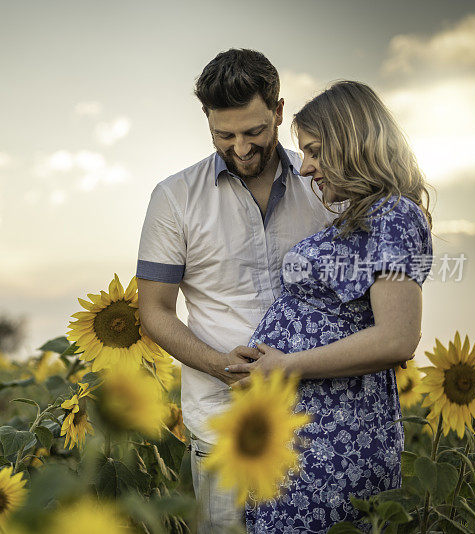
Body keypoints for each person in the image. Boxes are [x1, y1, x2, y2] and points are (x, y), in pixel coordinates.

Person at [136, 49, 337, 532]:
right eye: (224, 136)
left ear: (279, 112)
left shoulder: (325, 186)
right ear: (208, 123)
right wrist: (225, 368)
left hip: (324, 420)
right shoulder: (174, 198)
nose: (241, 148)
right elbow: (155, 311)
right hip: (223, 427)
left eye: (254, 132)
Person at [224, 81, 433, 532]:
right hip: (301, 436)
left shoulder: (394, 215)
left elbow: (398, 338)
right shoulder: (359, 216)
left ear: (352, 140)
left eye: (315, 150)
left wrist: (285, 367)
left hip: (336, 442)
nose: (305, 168)